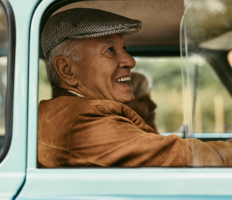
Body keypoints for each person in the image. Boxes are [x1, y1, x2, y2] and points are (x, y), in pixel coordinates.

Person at [38, 8, 232, 167]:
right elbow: (186, 157)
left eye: (125, 48)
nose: (130, 61)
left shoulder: (64, 114)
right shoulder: (82, 121)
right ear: (67, 70)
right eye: (110, 50)